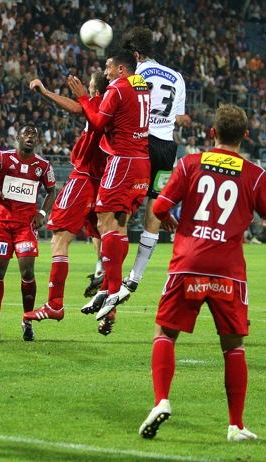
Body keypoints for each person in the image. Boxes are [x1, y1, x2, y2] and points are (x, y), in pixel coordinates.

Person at [138, 103, 266, 442]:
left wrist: (166, 219)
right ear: (246, 136)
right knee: (233, 346)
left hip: (188, 264)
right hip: (228, 271)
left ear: (212, 133)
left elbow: (161, 206)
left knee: (165, 334)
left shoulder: (190, 164)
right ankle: (235, 425)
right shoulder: (255, 175)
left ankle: (161, 400)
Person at [68, 50, 152, 328]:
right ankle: (108, 286)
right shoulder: (142, 85)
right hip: (143, 162)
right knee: (118, 224)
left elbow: (99, 122)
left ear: (120, 68)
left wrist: (84, 97)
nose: (105, 73)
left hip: (123, 161)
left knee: (104, 220)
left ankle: (113, 287)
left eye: (107, 68)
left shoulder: (117, 87)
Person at [22, 71, 109, 330]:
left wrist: (45, 92)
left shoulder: (100, 101)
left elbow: (75, 107)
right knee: (100, 235)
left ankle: (55, 303)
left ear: (95, 89)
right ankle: (107, 301)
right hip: (104, 178)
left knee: (60, 238)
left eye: (92, 84)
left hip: (85, 176)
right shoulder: (120, 105)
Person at [0, 123, 56, 342]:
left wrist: (42, 212)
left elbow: (51, 191)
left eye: (34, 134)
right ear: (18, 138)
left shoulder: (43, 166)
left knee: (27, 272)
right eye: (26, 133)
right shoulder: (2, 158)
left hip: (26, 226)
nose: (30, 136)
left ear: (37, 141)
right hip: (2, 224)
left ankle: (27, 321)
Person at [120, 27, 187, 295]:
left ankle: (110, 269)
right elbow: (179, 117)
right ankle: (135, 276)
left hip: (141, 142)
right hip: (167, 147)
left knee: (122, 207)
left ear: (135, 54)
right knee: (154, 211)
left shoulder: (137, 74)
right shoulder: (177, 76)